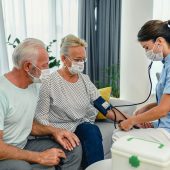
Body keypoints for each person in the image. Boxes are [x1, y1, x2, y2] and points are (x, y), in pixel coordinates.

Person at [35, 34, 128, 169]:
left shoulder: (84, 79)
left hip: (78, 125)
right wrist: (55, 133)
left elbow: (103, 106)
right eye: (77, 59)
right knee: (80, 142)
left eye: (83, 60)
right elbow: (40, 118)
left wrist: (130, 120)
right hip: (58, 129)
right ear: (63, 59)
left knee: (91, 131)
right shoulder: (49, 82)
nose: (81, 63)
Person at [0, 38, 82, 170]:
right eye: (44, 66)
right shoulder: (2, 92)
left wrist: (55, 131)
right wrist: (39, 157)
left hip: (22, 145)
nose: (48, 70)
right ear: (27, 66)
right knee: (22, 167)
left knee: (73, 149)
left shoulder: (33, 85)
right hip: (3, 153)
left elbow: (27, 125)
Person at [112, 20, 170, 146]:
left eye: (146, 47)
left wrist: (132, 121)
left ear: (159, 42)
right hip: (164, 125)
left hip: (168, 131)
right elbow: (166, 102)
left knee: (119, 136)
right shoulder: (166, 64)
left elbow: (164, 110)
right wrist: (147, 108)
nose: (146, 52)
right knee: (135, 129)